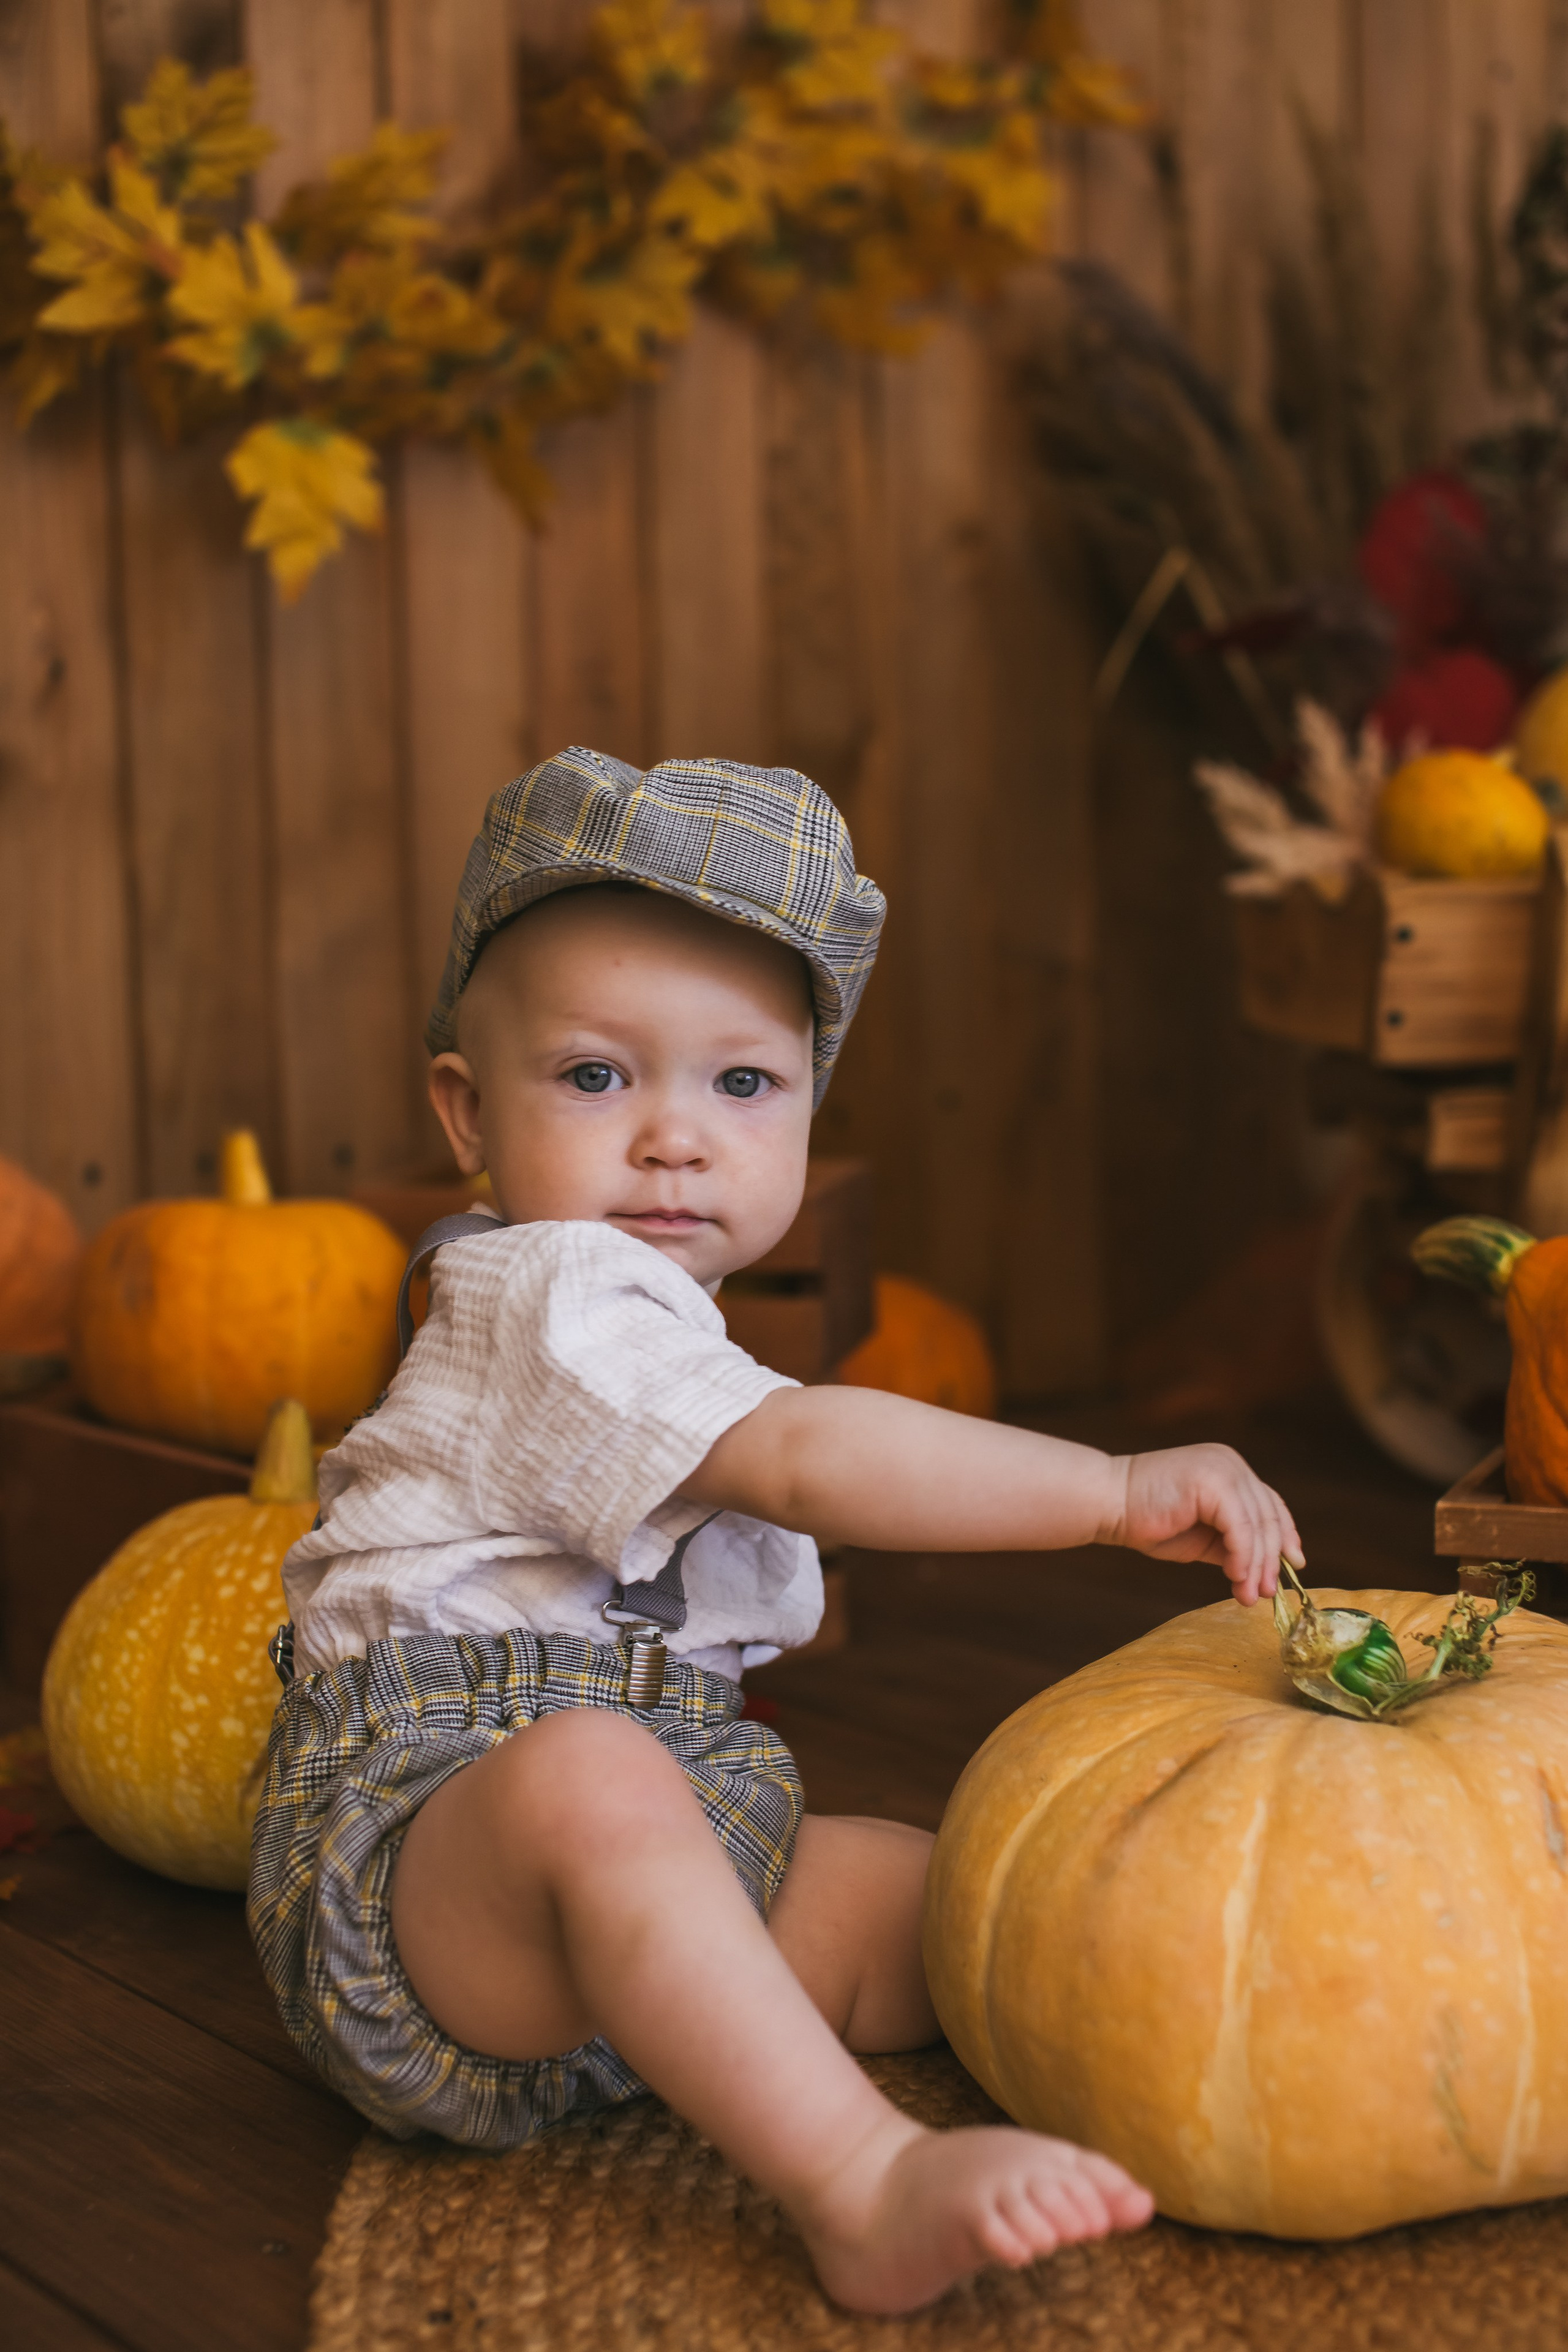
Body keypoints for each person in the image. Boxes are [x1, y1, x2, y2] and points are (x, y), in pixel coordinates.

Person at [249, 748, 1303, 2316]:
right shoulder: (543, 1291)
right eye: (595, 1077)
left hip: (649, 1891)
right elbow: (802, 1460)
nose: (674, 1137)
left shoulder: (665, 1319)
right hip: (428, 1893)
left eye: (740, 1085)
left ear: (807, 1107)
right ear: (466, 1112)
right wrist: (1106, 1488)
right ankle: (858, 2181)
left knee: (965, 1893)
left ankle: (1254, 2034)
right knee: (591, 1778)